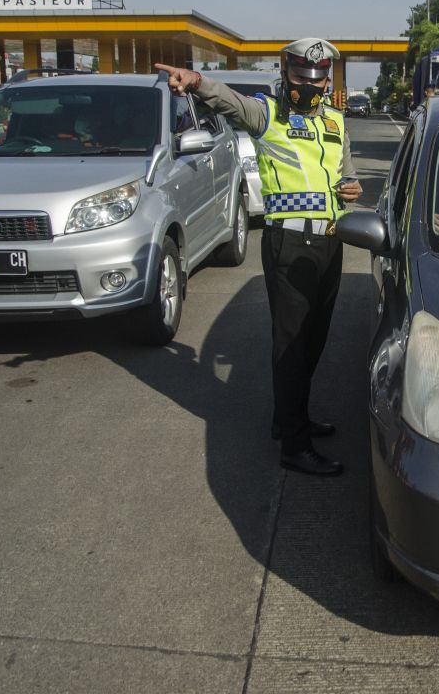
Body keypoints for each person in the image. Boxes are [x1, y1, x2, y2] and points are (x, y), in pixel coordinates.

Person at [155, 38, 363, 477]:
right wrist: (194, 81)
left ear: (328, 80)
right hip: (289, 245)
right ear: (285, 74)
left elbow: (348, 178)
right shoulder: (267, 114)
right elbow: (227, 100)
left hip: (329, 242)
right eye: (301, 78)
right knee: (290, 346)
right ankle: (294, 445)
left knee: (314, 342)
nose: (310, 86)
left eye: (318, 79)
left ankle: (292, 419)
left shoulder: (336, 122)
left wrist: (352, 190)